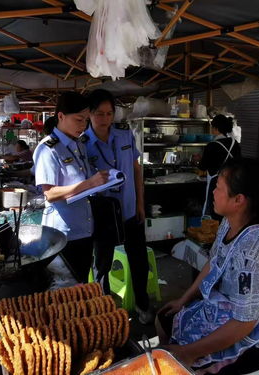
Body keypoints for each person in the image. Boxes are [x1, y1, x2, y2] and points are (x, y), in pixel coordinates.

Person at [156, 158, 259, 374]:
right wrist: (184, 299)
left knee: (185, 360)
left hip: (255, 341)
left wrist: (189, 352)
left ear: (238, 199)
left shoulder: (255, 251)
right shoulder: (228, 224)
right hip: (227, 310)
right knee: (164, 318)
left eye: (219, 187)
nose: (213, 192)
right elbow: (214, 262)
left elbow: (244, 323)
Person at [85, 89, 153, 324]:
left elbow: (136, 170)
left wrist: (141, 204)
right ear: (89, 115)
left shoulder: (124, 136)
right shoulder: (82, 143)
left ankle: (143, 304)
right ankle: (104, 311)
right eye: (99, 114)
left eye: (109, 113)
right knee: (101, 264)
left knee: (139, 260)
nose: (105, 119)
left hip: (130, 209)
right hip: (103, 215)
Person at [32, 91, 109, 283]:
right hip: (62, 234)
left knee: (81, 282)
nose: (83, 125)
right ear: (61, 116)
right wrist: (89, 183)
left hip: (84, 228)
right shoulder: (47, 149)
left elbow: (83, 179)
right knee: (64, 289)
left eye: (85, 120)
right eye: (78, 120)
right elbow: (49, 193)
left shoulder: (79, 144)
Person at [199, 115, 241, 220]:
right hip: (232, 182)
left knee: (213, 209)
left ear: (216, 129)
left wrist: (198, 161)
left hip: (215, 183)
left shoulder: (212, 145)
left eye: (212, 127)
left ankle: (212, 231)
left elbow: (202, 167)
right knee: (228, 209)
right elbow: (239, 162)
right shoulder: (234, 143)